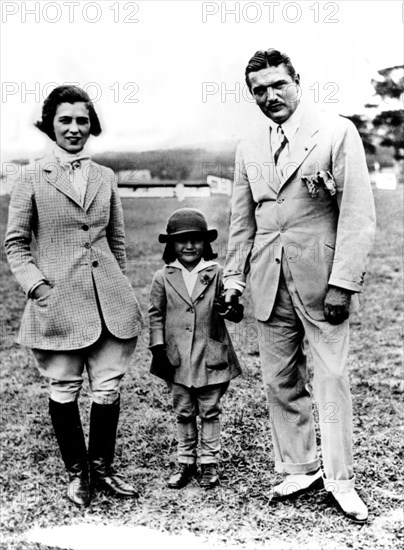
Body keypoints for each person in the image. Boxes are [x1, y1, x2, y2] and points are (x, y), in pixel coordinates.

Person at [223, 49, 376, 522]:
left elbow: (357, 214)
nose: (270, 96)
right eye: (259, 91)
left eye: (277, 85)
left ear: (297, 81)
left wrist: (343, 283)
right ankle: (300, 466)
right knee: (279, 381)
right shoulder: (249, 146)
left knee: (330, 379)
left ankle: (340, 479)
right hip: (270, 282)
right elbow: (241, 221)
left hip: (322, 283)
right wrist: (233, 278)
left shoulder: (336, 131)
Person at [4, 85, 143, 506]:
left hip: (109, 304)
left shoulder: (105, 177)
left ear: (91, 125)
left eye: (82, 120)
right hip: (58, 305)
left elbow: (115, 241)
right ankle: (77, 473)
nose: (74, 128)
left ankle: (102, 468)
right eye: (65, 120)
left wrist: (118, 286)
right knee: (63, 388)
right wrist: (38, 287)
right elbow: (15, 244)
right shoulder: (30, 176)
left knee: (107, 389)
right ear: (50, 124)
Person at [148, 208, 242, 489]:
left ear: (206, 243)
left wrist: (231, 307)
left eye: (196, 240)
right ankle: (185, 462)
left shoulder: (217, 273)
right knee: (184, 411)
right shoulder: (163, 277)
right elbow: (155, 314)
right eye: (181, 241)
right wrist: (158, 348)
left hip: (211, 356)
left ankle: (209, 464)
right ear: (171, 245)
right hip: (176, 359)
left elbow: (234, 310)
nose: (189, 246)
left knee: (210, 409)